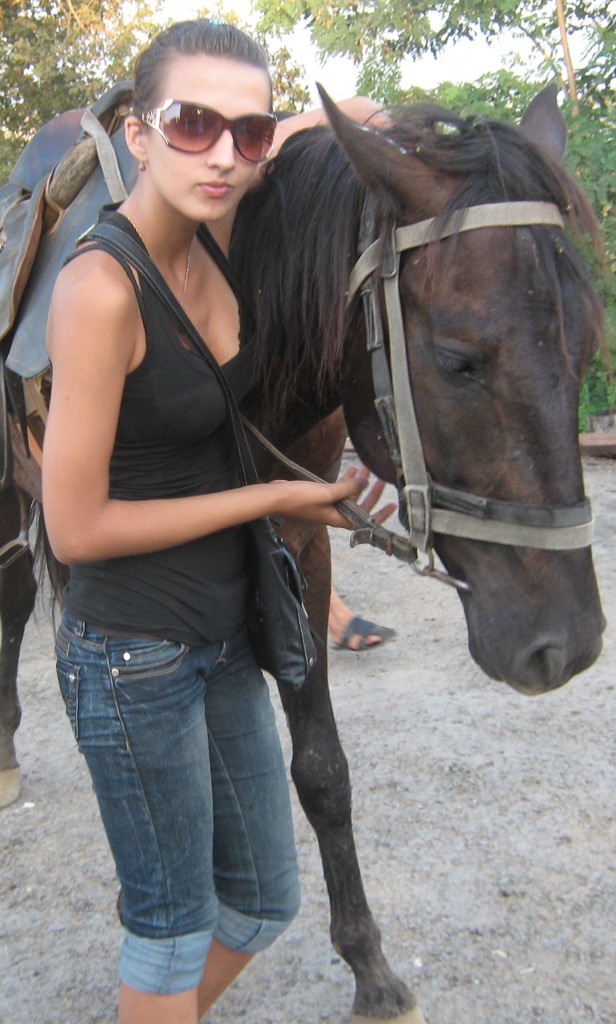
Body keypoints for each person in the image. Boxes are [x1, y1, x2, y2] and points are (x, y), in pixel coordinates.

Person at [42, 19, 390, 1024]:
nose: (224, 154)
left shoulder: (220, 226)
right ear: (138, 134)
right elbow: (75, 530)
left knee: (267, 899)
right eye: (192, 123)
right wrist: (280, 498)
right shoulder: (102, 290)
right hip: (132, 653)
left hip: (225, 637)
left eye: (249, 130)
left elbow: (335, 126)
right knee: (169, 929)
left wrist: (359, 125)